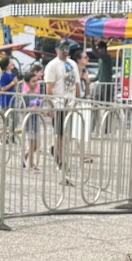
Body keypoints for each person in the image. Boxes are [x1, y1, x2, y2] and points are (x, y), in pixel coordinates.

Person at [44, 39, 80, 168]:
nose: (65, 51)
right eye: (62, 48)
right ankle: (60, 160)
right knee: (60, 134)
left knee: (68, 134)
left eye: (67, 48)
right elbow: (49, 88)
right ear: (57, 49)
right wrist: (51, 106)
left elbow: (77, 83)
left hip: (70, 103)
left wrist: (77, 100)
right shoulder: (52, 66)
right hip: (59, 104)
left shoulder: (73, 64)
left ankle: (57, 152)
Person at [20, 62, 44, 171]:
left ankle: (25, 155)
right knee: (32, 142)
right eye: (33, 81)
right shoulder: (25, 95)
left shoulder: (38, 95)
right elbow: (21, 108)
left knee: (36, 145)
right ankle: (31, 163)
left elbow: (42, 107)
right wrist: (30, 110)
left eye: (36, 81)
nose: (35, 83)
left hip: (36, 122)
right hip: (29, 122)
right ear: (27, 83)